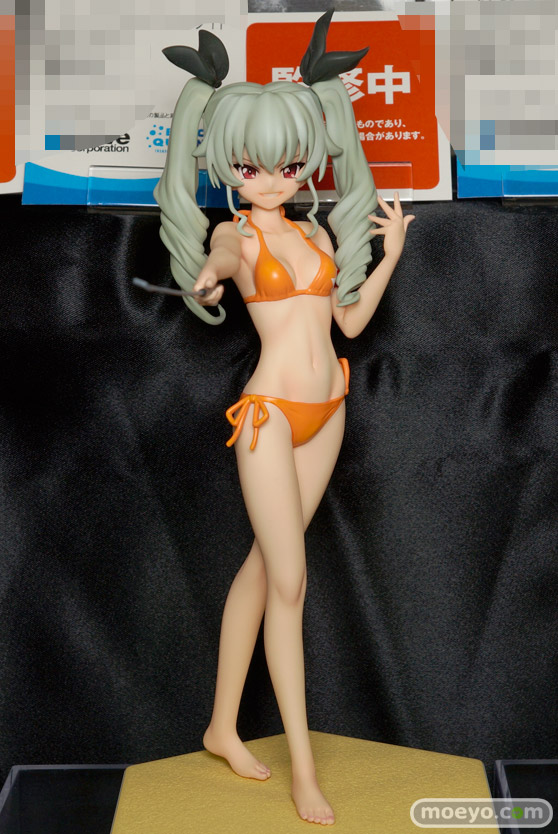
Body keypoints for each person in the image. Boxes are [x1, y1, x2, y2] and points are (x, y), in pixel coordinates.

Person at [154, 11, 414, 825]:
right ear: (228, 166)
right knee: (290, 583)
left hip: (329, 407)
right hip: (270, 419)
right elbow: (218, 263)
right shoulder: (236, 237)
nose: (269, 179)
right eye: (251, 166)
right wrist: (207, 279)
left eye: (287, 164)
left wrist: (391, 255)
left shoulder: (316, 233)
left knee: (263, 572)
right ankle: (303, 765)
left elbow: (351, 325)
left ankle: (221, 727)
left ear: (307, 162)